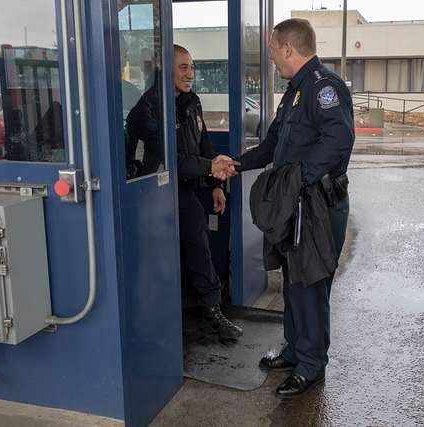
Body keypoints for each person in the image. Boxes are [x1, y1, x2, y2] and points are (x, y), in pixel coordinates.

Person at [234, 19, 354, 399]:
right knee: (293, 282)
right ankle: (294, 350)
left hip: (317, 204)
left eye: (272, 51)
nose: (272, 58)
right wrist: (237, 164)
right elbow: (272, 145)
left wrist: (296, 179)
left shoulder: (323, 87)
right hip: (297, 205)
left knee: (310, 284)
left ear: (287, 48)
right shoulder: (295, 92)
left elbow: (339, 140)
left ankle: (312, 365)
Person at [127, 45, 242, 341]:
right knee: (156, 259)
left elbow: (203, 145)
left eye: (192, 67)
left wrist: (216, 184)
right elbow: (172, 160)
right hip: (152, 194)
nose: (190, 74)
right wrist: (212, 167)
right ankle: (151, 323)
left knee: (200, 247)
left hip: (185, 191)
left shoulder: (192, 102)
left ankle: (213, 312)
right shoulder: (148, 109)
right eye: (183, 68)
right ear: (165, 70)